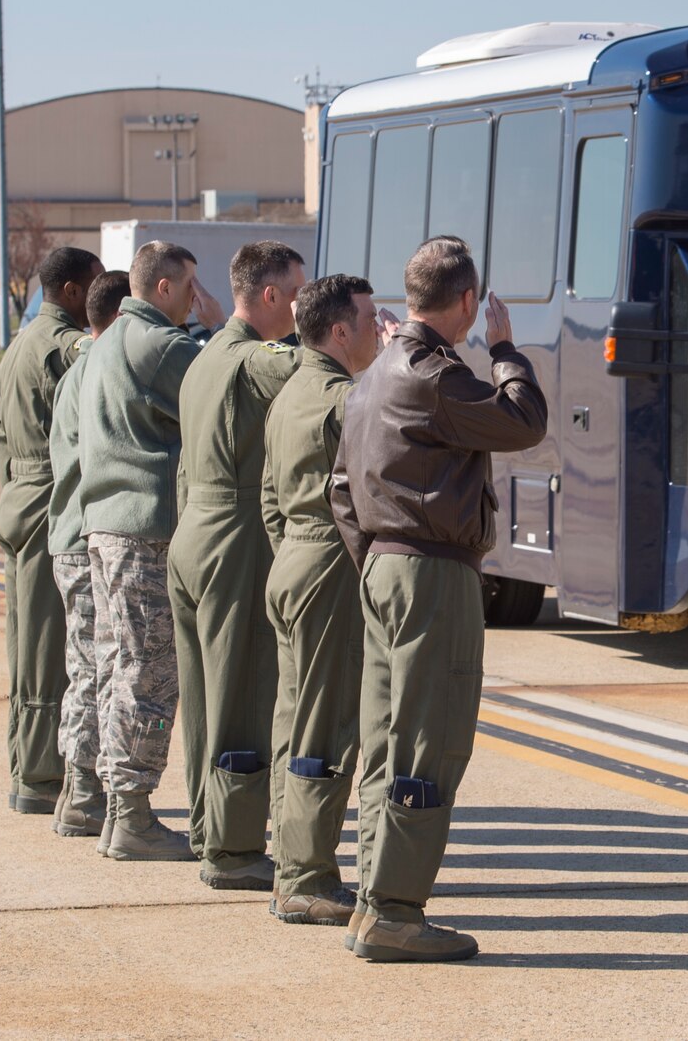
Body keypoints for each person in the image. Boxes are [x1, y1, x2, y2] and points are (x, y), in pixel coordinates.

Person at [330, 236, 547, 963]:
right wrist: (507, 350)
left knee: (388, 736)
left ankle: (372, 900)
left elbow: (339, 489)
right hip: (432, 572)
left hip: (385, 569)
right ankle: (395, 909)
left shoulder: (370, 375)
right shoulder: (434, 373)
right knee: (431, 738)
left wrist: (375, 559)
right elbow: (523, 421)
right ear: (465, 302)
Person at [76, 241, 226, 860]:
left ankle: (115, 807)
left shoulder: (109, 339)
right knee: (149, 672)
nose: (196, 296)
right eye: (190, 285)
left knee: (117, 665)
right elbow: (224, 389)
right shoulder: (160, 344)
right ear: (162, 289)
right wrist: (218, 327)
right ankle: (131, 814)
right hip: (146, 529)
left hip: (107, 524)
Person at [167, 240, 308, 891]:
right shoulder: (255, 360)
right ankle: (233, 847)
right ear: (272, 296)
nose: (304, 305)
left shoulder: (204, 355)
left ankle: (208, 825)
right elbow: (314, 372)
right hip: (234, 537)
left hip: (192, 531)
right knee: (242, 694)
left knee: (202, 698)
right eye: (299, 294)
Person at [264, 274, 391, 925]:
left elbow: (268, 496)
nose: (379, 327)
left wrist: (295, 549)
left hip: (292, 560)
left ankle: (288, 855)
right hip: (329, 570)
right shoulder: (344, 398)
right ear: (338, 329)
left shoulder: (290, 392)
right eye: (371, 318)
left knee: (294, 719)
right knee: (326, 727)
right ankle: (306, 875)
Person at [0, 245, 102, 813]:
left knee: (24, 640)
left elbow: (1, 439)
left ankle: (26, 763)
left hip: (17, 495)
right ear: (72, 292)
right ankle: (38, 775)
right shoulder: (65, 347)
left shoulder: (19, 343)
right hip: (44, 499)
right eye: (95, 286)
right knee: (46, 643)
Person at [43, 268, 128, 839]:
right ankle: (80, 791)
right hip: (83, 538)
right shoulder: (96, 368)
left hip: (73, 536)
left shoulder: (81, 369)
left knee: (87, 668)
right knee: (94, 669)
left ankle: (79, 789)